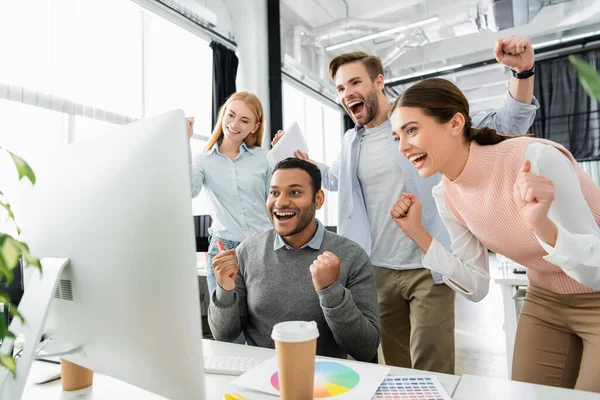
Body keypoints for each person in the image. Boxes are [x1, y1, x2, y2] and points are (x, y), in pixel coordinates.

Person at [272, 35, 539, 373]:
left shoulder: (420, 120)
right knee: (392, 368)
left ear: (378, 82)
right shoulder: (351, 140)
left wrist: (522, 74)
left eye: (355, 82)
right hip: (377, 268)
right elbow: (337, 180)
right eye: (340, 88)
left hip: (430, 264)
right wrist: (301, 160)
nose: (346, 93)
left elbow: (508, 123)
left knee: (433, 366)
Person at [389, 77, 600, 392]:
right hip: (544, 300)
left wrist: (541, 225)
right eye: (396, 137)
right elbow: (476, 286)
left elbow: (596, 271)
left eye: (411, 130)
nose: (403, 147)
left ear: (455, 123)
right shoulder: (445, 195)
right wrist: (419, 234)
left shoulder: (533, 158)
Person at [208, 158, 381, 362]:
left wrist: (331, 291)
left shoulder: (352, 255)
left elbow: (366, 348)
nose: (280, 202)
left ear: (318, 199)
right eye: (274, 193)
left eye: (295, 192)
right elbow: (223, 334)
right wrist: (225, 289)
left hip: (326, 379)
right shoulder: (248, 250)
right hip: (260, 376)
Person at [189, 91, 273, 343]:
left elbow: (277, 200)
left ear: (255, 126)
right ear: (222, 115)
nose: (235, 124)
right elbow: (187, 191)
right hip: (225, 250)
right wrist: (182, 142)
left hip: (264, 248)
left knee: (265, 328)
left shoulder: (264, 157)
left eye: (245, 120)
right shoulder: (202, 160)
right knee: (228, 332)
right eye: (231, 115)